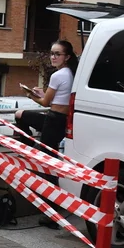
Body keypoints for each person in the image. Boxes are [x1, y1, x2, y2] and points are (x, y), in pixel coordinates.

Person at [15, 40, 78, 227]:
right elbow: (54, 100)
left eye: (57, 54)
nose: (53, 57)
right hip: (59, 120)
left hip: (53, 120)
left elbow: (45, 103)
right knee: (20, 115)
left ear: (67, 57)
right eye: (52, 53)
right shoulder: (71, 74)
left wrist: (29, 94)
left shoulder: (58, 75)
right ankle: (29, 148)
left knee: (48, 169)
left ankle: (52, 215)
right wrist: (41, 93)